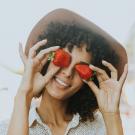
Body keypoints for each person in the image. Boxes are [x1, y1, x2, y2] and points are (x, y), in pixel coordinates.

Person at [0, 9, 128, 135]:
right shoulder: (5, 128)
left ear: (89, 79)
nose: (67, 73)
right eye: (62, 59)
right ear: (46, 58)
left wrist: (112, 115)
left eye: (80, 68)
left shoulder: (100, 128)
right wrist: (24, 95)